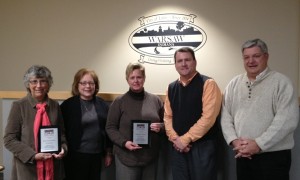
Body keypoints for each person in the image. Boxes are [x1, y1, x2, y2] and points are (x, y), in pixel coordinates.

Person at [221, 38, 299, 180]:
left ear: (266, 56)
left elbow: (286, 121)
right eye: (246, 57)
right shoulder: (234, 84)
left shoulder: (282, 83)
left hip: (273, 158)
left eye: (256, 56)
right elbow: (226, 117)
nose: (251, 61)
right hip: (243, 155)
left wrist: (259, 144)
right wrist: (234, 141)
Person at [164, 47, 222, 180]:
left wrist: (184, 140)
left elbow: (208, 118)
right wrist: (175, 139)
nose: (184, 64)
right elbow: (168, 117)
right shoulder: (171, 87)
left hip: (203, 148)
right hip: (177, 148)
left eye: (187, 60)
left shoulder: (208, 84)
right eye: (180, 61)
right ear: (175, 65)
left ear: (195, 62)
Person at [4, 65, 67, 180]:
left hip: (53, 168)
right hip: (27, 170)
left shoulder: (54, 105)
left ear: (48, 84)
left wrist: (63, 148)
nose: (38, 86)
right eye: (34, 81)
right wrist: (33, 155)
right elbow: (9, 139)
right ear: (28, 84)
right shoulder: (19, 106)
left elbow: (61, 134)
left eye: (43, 81)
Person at [105, 62, 164, 180]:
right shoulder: (119, 102)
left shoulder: (155, 100)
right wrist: (124, 142)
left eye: (139, 77)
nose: (136, 80)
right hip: (126, 157)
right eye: (132, 77)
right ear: (127, 79)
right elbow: (110, 127)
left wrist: (161, 127)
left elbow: (167, 124)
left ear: (144, 78)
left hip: (150, 158)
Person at [60, 68, 113, 180]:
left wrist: (108, 152)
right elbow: (61, 130)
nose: (87, 86)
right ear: (77, 85)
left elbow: (107, 130)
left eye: (91, 83)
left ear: (95, 85)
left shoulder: (102, 105)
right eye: (83, 83)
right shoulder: (68, 105)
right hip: (75, 156)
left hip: (96, 155)